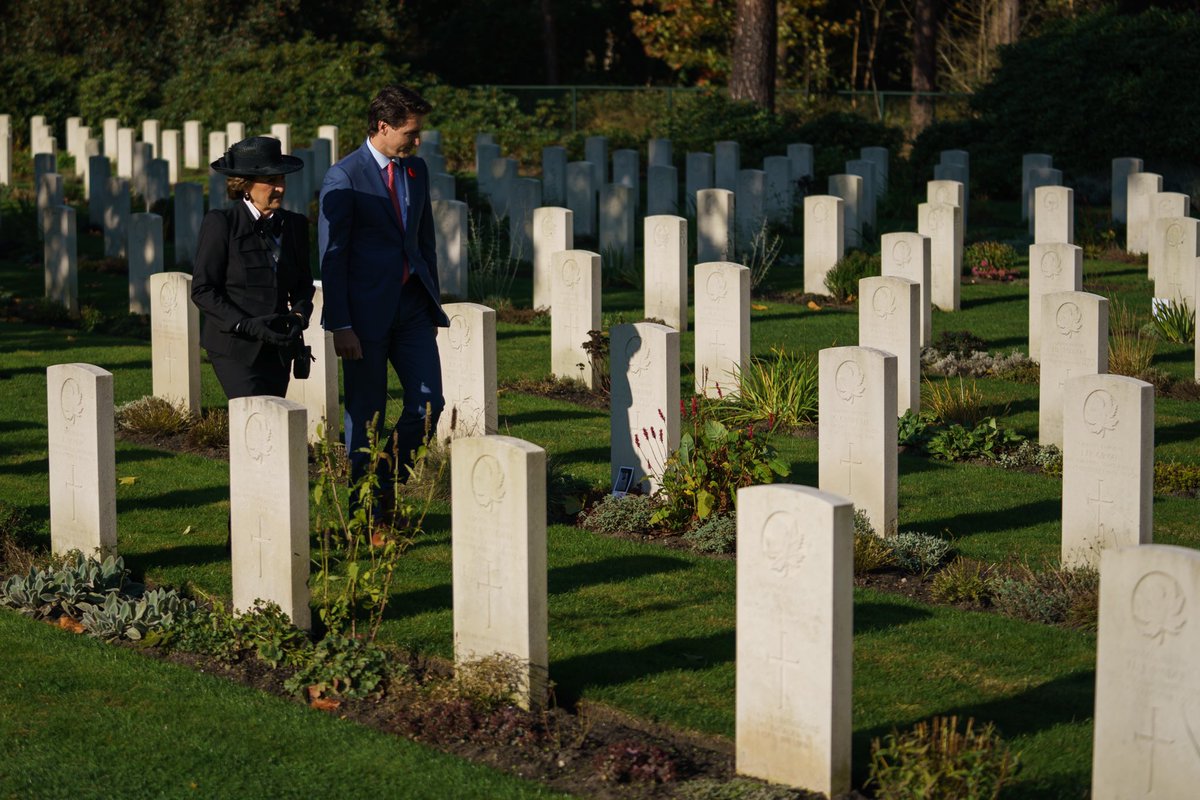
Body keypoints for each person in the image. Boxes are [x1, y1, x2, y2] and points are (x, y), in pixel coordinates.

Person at [318, 85, 448, 508]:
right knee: (366, 414)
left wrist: (432, 301)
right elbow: (332, 256)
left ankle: (382, 481)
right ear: (383, 127)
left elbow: (423, 241)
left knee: (429, 403)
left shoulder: (416, 170)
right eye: (410, 132)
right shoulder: (344, 176)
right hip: (364, 316)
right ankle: (366, 510)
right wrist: (340, 324)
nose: (417, 140)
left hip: (411, 308)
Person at [192, 136, 315, 399]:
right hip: (234, 347)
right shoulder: (221, 223)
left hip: (279, 346)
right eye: (271, 181)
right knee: (254, 416)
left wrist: (299, 317)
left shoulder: (295, 225)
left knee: (275, 422)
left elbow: (304, 282)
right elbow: (203, 289)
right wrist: (244, 325)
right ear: (245, 185)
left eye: (281, 179)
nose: (280, 188)